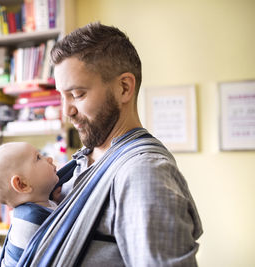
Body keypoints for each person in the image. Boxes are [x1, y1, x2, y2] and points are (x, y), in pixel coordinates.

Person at [18, 22, 203, 267]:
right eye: (62, 96)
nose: (66, 111)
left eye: (78, 94)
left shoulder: (143, 174)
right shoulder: (83, 162)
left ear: (124, 88)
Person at [0, 142, 59, 267]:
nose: (49, 159)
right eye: (38, 157)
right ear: (22, 184)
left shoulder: (39, 206)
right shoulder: (31, 221)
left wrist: (56, 202)